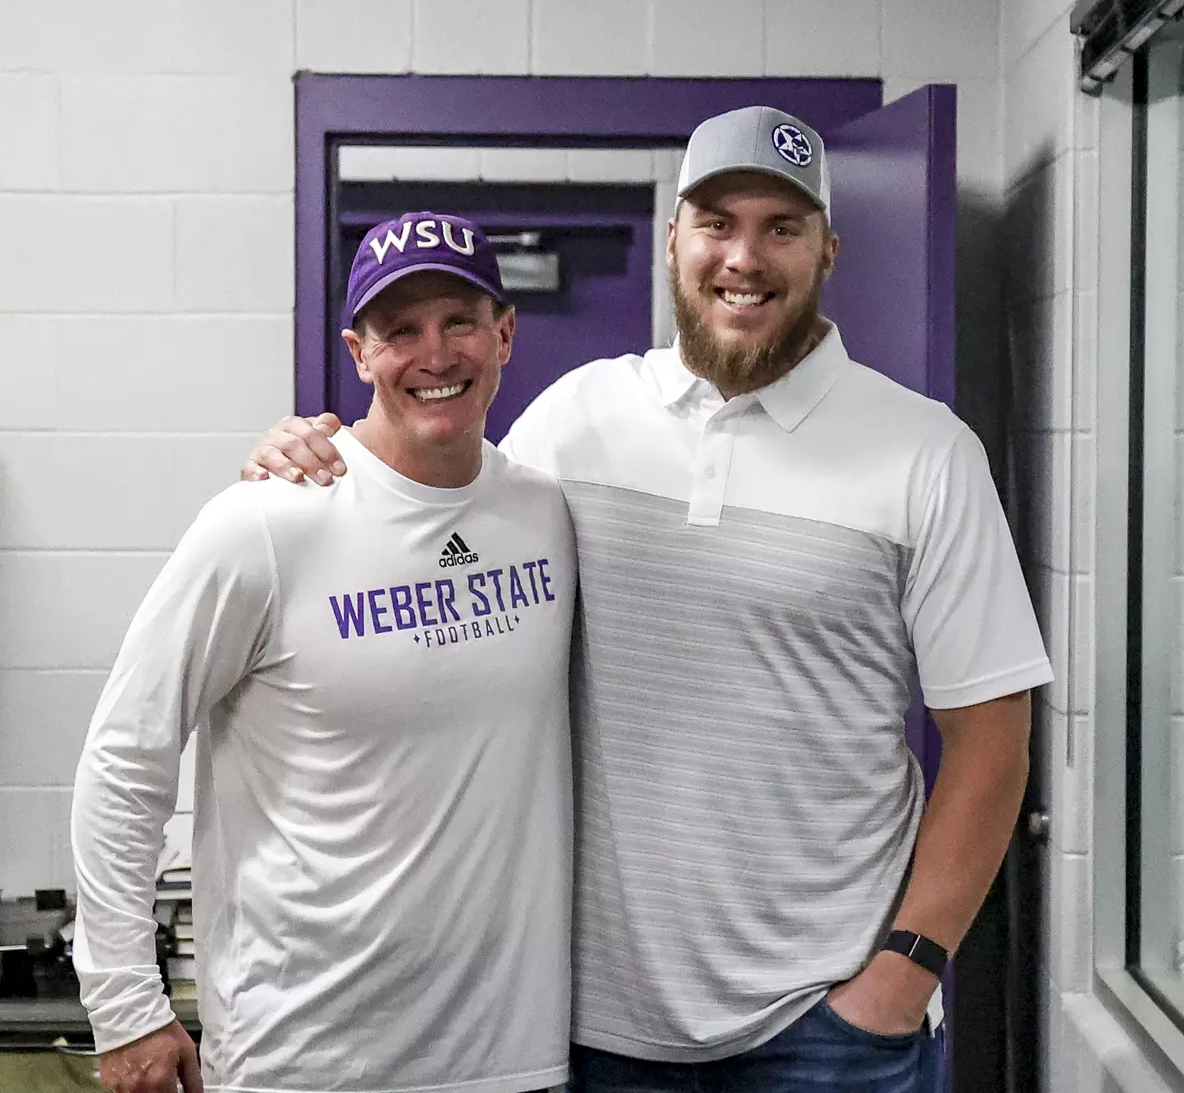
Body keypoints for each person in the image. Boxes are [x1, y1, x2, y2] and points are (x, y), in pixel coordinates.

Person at [245, 106, 1053, 1093]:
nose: (743, 256)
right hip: (588, 1026)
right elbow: (421, 539)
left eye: (781, 227)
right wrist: (311, 460)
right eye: (716, 221)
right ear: (674, 238)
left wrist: (902, 974)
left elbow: (991, 737)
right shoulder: (578, 419)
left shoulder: (926, 452)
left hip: (828, 1031)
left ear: (827, 250)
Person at [71, 213, 576, 1093]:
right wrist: (125, 1006)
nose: (435, 353)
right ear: (358, 352)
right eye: (400, 331)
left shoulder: (549, 515)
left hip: (512, 1060)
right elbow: (125, 755)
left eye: (459, 320)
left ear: (504, 334)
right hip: (306, 1061)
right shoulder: (268, 522)